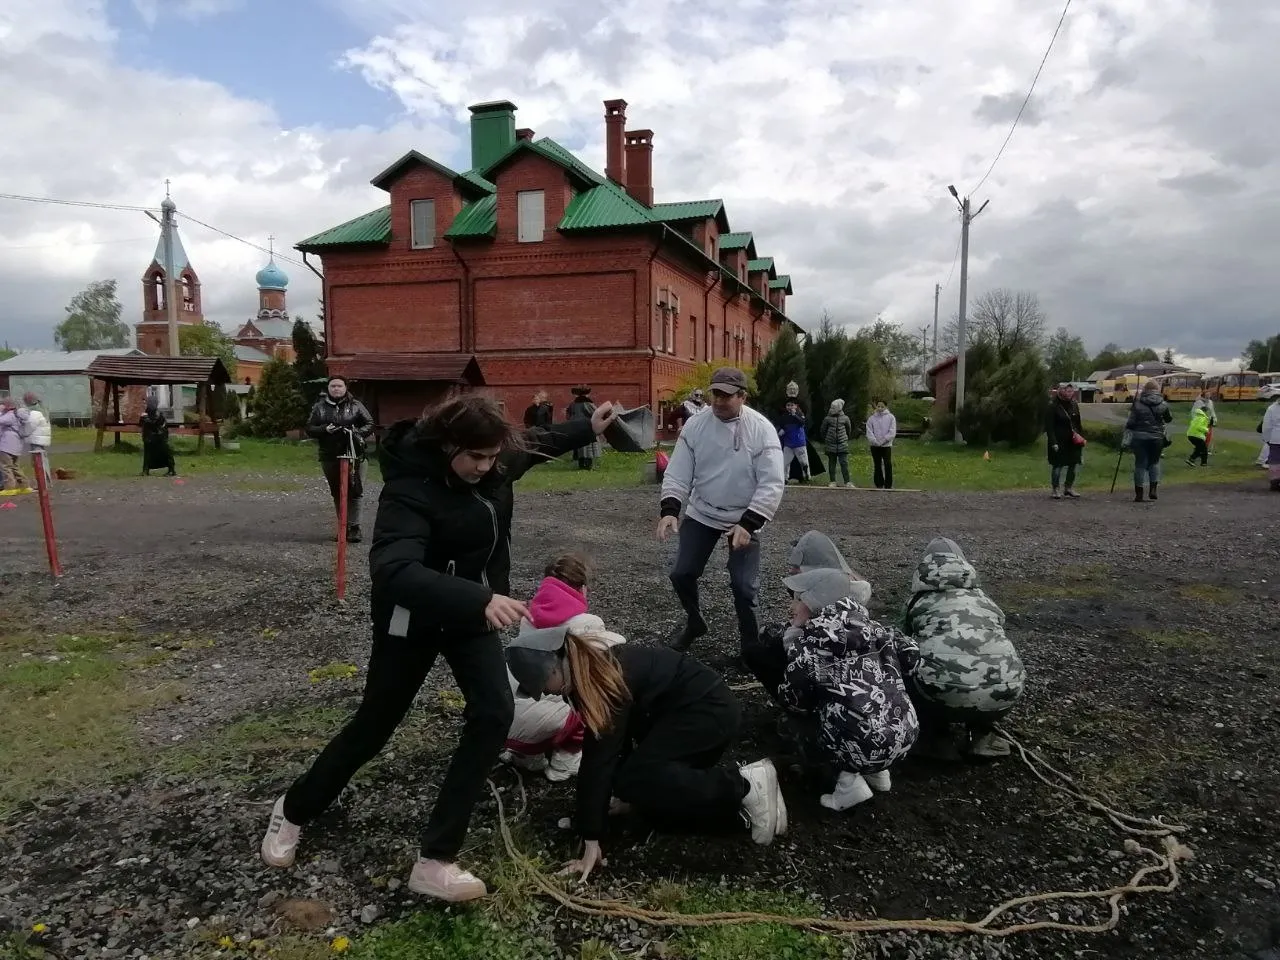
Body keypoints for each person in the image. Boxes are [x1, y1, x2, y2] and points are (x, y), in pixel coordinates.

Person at [260, 393, 619, 903]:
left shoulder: (492, 461)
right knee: (376, 723)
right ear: (449, 444)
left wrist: (587, 426)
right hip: (418, 616)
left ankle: (436, 859)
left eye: (493, 457)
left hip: (474, 613)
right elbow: (394, 571)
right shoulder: (409, 487)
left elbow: (535, 442)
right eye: (475, 457)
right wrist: (478, 598)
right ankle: (294, 809)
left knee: (493, 713)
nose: (486, 467)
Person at [504, 616, 788, 883]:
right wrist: (599, 812)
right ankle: (740, 794)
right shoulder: (590, 667)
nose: (543, 694)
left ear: (554, 668)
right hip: (690, 713)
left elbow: (598, 758)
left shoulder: (599, 681)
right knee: (638, 784)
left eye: (540, 685)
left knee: (639, 777)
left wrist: (591, 838)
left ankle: (746, 785)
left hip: (707, 714)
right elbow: (616, 744)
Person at [657, 367, 785, 653]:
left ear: (742, 397)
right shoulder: (696, 426)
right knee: (681, 573)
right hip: (703, 512)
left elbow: (772, 483)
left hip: (743, 518)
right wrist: (670, 509)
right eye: (715, 393)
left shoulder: (761, 430)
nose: (718, 401)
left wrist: (749, 524)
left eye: (726, 396)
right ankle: (695, 621)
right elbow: (678, 471)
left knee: (743, 587)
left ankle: (750, 645)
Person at [776, 568, 920, 811]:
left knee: (797, 721)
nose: (792, 606)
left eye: (798, 599)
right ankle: (879, 773)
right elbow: (912, 656)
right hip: (906, 734)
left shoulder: (812, 642)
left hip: (861, 746)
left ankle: (847, 784)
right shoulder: (876, 628)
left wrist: (791, 641)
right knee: (872, 703)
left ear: (814, 603)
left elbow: (792, 698)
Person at [901, 537, 1024, 761]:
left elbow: (903, 641)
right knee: (988, 662)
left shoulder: (917, 602)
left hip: (940, 693)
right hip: (1006, 692)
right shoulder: (985, 600)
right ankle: (981, 737)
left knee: (906, 664)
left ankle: (936, 738)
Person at [500, 554, 596, 782]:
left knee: (537, 690)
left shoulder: (528, 618)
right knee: (590, 699)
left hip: (500, 719)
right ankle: (564, 765)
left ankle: (526, 756)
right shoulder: (586, 625)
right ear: (582, 589)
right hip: (537, 721)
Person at [743, 531, 860, 704]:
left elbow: (806, 639)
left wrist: (791, 632)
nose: (792, 570)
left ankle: (797, 713)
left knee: (756, 652)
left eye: (798, 565)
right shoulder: (847, 586)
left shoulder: (828, 590)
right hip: (856, 674)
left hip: (830, 665)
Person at [306, 376, 375, 543]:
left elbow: (370, 423)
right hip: (330, 455)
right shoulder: (319, 407)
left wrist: (356, 433)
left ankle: (355, 527)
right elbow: (309, 428)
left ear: (345, 388)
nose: (336, 389)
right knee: (338, 491)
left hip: (355, 454)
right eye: (333, 386)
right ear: (328, 388)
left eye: (339, 386)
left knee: (356, 490)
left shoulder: (356, 405)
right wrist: (324, 429)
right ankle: (343, 526)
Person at [1124, 380, 1173, 502]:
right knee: (1154, 462)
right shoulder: (1163, 404)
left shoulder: (1137, 403)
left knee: (1140, 464)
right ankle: (1153, 490)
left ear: (1144, 390)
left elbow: (1130, 423)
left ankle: (1139, 494)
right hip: (1157, 438)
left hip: (1139, 438)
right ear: (1157, 389)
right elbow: (1168, 419)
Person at [1045, 384, 1085, 499]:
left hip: (1073, 440)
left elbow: (1078, 423)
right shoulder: (1053, 406)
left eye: (1071, 391)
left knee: (1073, 464)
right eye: (1067, 391)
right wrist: (1053, 442)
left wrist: (1081, 437)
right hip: (1059, 440)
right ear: (1061, 392)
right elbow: (1049, 426)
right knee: (1058, 465)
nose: (1070, 393)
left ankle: (1068, 488)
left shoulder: (1074, 404)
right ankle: (1055, 489)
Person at [139, 394, 176, 477]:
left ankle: (171, 470)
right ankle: (145, 470)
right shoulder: (146, 413)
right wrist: (143, 418)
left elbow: (157, 424)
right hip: (149, 437)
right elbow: (141, 424)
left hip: (159, 437)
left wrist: (146, 419)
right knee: (148, 454)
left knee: (166, 452)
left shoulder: (159, 414)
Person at [567, 386, 603, 470]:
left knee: (580, 447)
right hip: (587, 427)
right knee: (588, 446)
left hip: (576, 427)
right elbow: (596, 413)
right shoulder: (587, 403)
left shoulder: (573, 404)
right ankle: (588, 466)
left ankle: (582, 465)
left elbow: (569, 415)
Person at [0, 399, 31, 494]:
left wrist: (1, 411)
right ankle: (24, 486)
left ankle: (9, 488)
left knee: (6, 467)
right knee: (15, 466)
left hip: (6, 445)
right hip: (16, 445)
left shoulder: (9, 416)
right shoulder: (18, 415)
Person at [820, 399, 853, 488]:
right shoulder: (827, 419)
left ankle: (847, 482)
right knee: (832, 463)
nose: (832, 409)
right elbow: (823, 430)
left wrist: (844, 439)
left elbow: (848, 430)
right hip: (831, 444)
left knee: (844, 463)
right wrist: (827, 440)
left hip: (842, 444)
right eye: (832, 407)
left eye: (834, 407)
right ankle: (832, 481)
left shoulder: (845, 418)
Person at [865, 399, 897, 490]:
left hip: (886, 445)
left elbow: (892, 431)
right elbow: (869, 431)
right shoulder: (872, 418)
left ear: (885, 407)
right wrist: (875, 441)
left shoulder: (891, 417)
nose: (880, 408)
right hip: (875, 446)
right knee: (877, 464)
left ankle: (888, 485)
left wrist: (884, 441)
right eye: (878, 406)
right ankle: (879, 483)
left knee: (887, 464)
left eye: (882, 406)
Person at [21, 392, 52, 485]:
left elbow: (30, 426)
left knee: (38, 462)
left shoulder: (34, 413)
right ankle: (46, 482)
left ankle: (43, 483)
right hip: (41, 439)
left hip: (37, 440)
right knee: (43, 461)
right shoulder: (42, 409)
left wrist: (22, 433)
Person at [777, 399, 810, 484]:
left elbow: (802, 422)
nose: (790, 407)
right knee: (785, 463)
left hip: (799, 443)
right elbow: (782, 427)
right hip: (788, 444)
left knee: (803, 462)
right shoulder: (784, 417)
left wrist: (794, 415)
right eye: (788, 405)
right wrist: (780, 431)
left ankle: (806, 475)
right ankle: (785, 478)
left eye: (792, 405)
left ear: (796, 406)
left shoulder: (799, 414)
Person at [1191, 388, 1217, 455]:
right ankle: (1198, 451)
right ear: (1203, 395)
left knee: (1208, 437)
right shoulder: (1198, 402)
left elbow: (1212, 412)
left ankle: (1204, 450)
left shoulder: (1210, 402)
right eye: (1207, 394)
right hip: (1201, 423)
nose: (1208, 396)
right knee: (1200, 437)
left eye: (1209, 394)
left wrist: (1214, 419)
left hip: (1209, 422)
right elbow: (1194, 412)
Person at [1262, 395, 1280, 493]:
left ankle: (1275, 482)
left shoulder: (1272, 409)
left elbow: (1267, 425)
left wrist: (1266, 438)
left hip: (1275, 438)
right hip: (1275, 438)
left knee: (1275, 460)